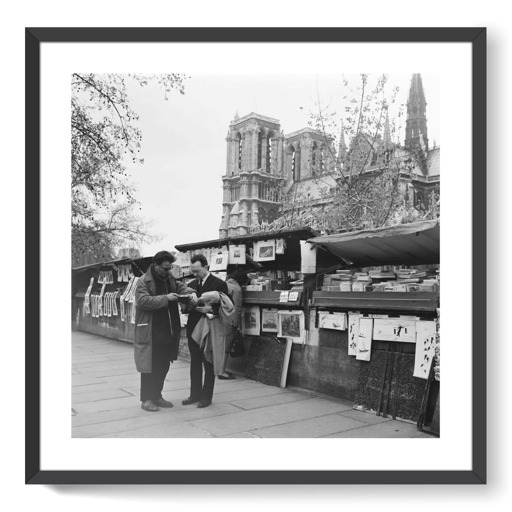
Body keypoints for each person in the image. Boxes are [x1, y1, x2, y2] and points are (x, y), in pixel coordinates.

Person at [134, 251, 196, 412]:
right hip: (152, 331)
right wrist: (165, 298)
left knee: (163, 365)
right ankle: (146, 399)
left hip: (168, 330)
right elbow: (142, 301)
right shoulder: (143, 281)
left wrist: (191, 292)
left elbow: (181, 286)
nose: (168, 271)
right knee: (150, 366)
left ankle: (157, 396)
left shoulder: (168, 278)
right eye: (165, 268)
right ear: (155, 265)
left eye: (169, 268)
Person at [183, 254, 228, 408]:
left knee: (208, 361)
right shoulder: (190, 284)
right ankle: (194, 394)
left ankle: (206, 396)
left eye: (197, 271)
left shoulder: (219, 284)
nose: (195, 274)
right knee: (194, 361)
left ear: (206, 267)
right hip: (193, 326)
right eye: (193, 271)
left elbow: (228, 305)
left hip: (210, 326)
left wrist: (210, 308)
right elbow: (185, 308)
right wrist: (187, 305)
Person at [218, 269, 243, 379]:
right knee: (226, 346)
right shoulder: (237, 289)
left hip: (219, 318)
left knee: (219, 345)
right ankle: (222, 371)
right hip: (229, 320)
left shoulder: (223, 284)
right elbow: (237, 308)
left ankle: (218, 369)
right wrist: (236, 324)